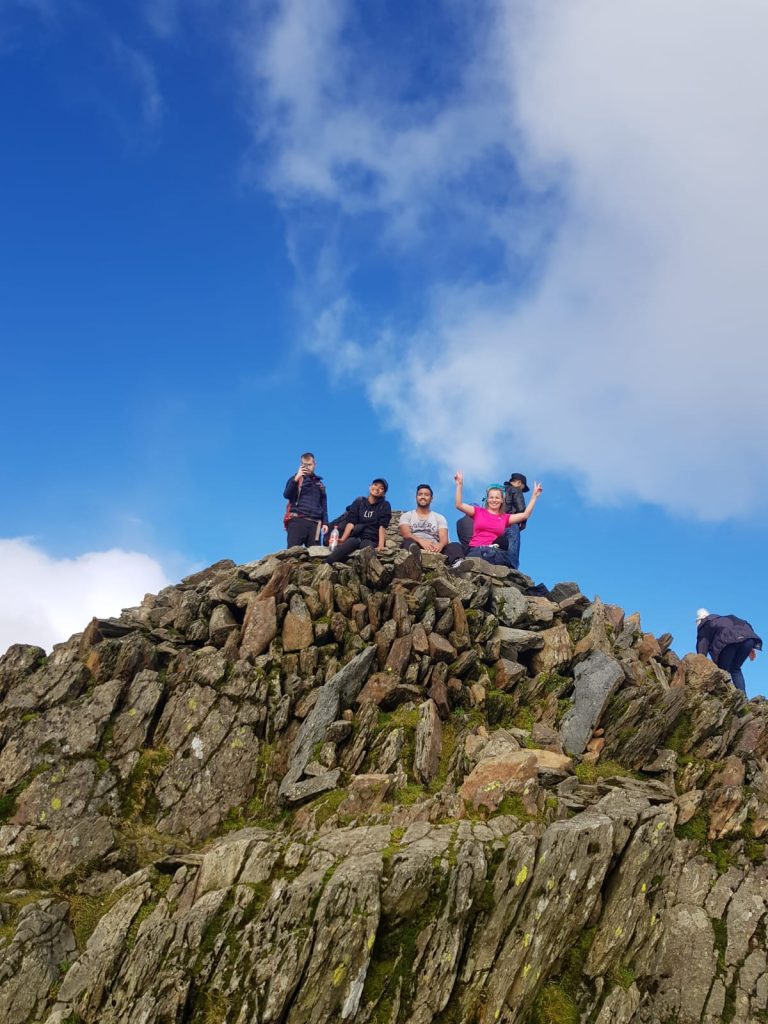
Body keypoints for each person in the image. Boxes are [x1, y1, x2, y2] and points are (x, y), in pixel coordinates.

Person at [453, 470, 542, 568]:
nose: (494, 500)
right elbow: (459, 505)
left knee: (505, 557)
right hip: (478, 548)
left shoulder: (504, 518)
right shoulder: (478, 511)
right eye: (491, 497)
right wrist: (459, 486)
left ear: (502, 500)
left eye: (497, 498)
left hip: (495, 551)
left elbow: (525, 515)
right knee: (484, 553)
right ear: (487, 499)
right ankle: (469, 562)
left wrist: (534, 497)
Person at [695, 609, 762, 694]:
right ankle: (742, 698)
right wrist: (751, 647)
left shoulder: (706, 624)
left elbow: (702, 645)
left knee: (721, 671)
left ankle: (721, 696)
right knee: (735, 669)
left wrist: (700, 662)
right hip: (749, 640)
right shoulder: (725, 619)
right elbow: (745, 627)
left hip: (729, 642)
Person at [325, 478, 392, 564]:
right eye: (375, 485)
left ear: (383, 493)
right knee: (332, 558)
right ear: (370, 486)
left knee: (370, 560)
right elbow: (351, 522)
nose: (377, 488)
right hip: (356, 537)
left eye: (381, 488)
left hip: (371, 539)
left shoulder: (384, 505)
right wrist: (342, 539)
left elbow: (382, 526)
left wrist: (381, 545)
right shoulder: (359, 502)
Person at [283, 453, 329, 548]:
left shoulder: (320, 485)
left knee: (315, 558)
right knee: (292, 555)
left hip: (315, 524)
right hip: (297, 520)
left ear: (315, 464)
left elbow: (324, 506)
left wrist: (325, 523)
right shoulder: (295, 479)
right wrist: (296, 478)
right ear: (301, 465)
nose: (307, 467)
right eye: (304, 465)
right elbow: (287, 495)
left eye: (310, 465)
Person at [399, 484, 450, 554]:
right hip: (415, 544)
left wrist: (440, 545)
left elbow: (444, 539)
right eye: (420, 494)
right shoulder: (407, 515)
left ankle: (457, 562)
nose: (423, 497)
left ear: (431, 499)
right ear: (416, 497)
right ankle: (414, 558)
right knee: (408, 542)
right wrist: (421, 541)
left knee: (454, 546)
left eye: (426, 495)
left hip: (434, 546)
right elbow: (406, 534)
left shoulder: (439, 517)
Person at [502, 472, 529, 570]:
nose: (522, 489)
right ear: (519, 483)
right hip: (511, 522)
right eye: (523, 487)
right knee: (513, 546)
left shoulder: (500, 490)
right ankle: (512, 568)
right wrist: (523, 523)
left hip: (495, 523)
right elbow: (521, 509)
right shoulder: (516, 490)